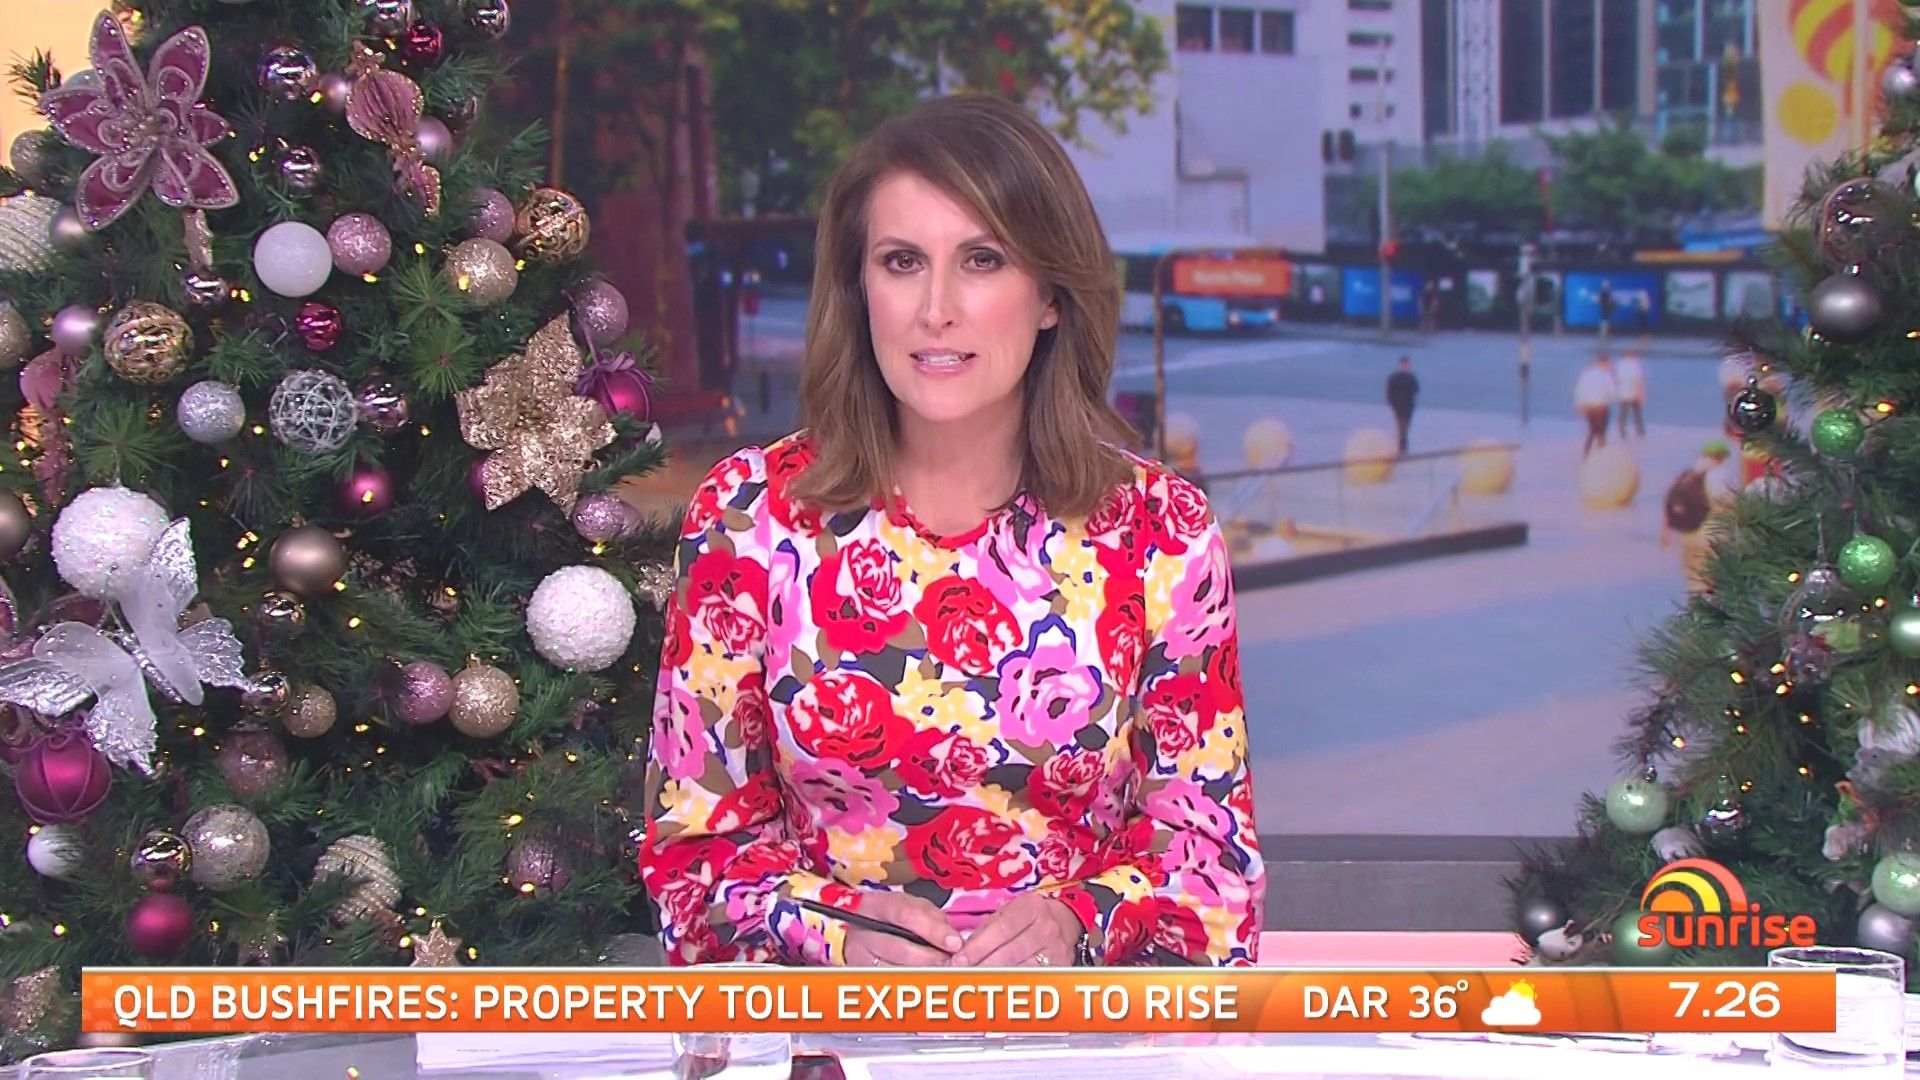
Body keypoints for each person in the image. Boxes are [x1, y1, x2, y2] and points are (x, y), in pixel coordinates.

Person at [637, 94, 1264, 969]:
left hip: (1078, 1031)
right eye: (902, 262)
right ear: (860, 290)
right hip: (824, 1029)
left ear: (1051, 296)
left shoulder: (1162, 533)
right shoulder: (748, 517)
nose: (936, 308)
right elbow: (692, 863)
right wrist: (834, 935)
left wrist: (1076, 923)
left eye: (982, 260)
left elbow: (1213, 870)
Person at [1660, 442, 1732, 594]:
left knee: (1694, 580)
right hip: (1711, 536)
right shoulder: (1719, 475)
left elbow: (1671, 503)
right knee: (1713, 583)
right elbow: (1730, 502)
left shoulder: (1688, 476)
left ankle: (1695, 604)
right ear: (1721, 457)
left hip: (1688, 535)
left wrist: (1665, 532)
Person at [1575, 353, 1615, 459]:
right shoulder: (1606, 375)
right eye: (1609, 364)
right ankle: (1601, 454)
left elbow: (1580, 389)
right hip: (1601, 406)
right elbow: (1612, 393)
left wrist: (1579, 404)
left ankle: (1587, 453)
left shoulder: (1586, 374)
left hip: (1589, 407)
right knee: (1601, 432)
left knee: (1592, 430)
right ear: (1603, 363)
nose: (1610, 366)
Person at [1386, 355, 1419, 454]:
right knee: (1403, 425)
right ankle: (1402, 447)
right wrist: (1392, 403)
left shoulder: (1408, 377)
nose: (1408, 366)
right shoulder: (1406, 377)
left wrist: (1392, 402)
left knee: (1402, 426)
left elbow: (1416, 389)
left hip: (1405, 405)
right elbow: (1416, 389)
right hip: (1402, 405)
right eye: (1407, 365)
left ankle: (1402, 446)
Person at [1614, 351, 1646, 440]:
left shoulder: (1619, 365)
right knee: (1636, 412)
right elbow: (1639, 380)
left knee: (1624, 411)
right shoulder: (1635, 365)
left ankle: (1622, 429)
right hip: (1632, 391)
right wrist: (1641, 393)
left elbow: (1616, 380)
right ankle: (1639, 431)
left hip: (1623, 392)